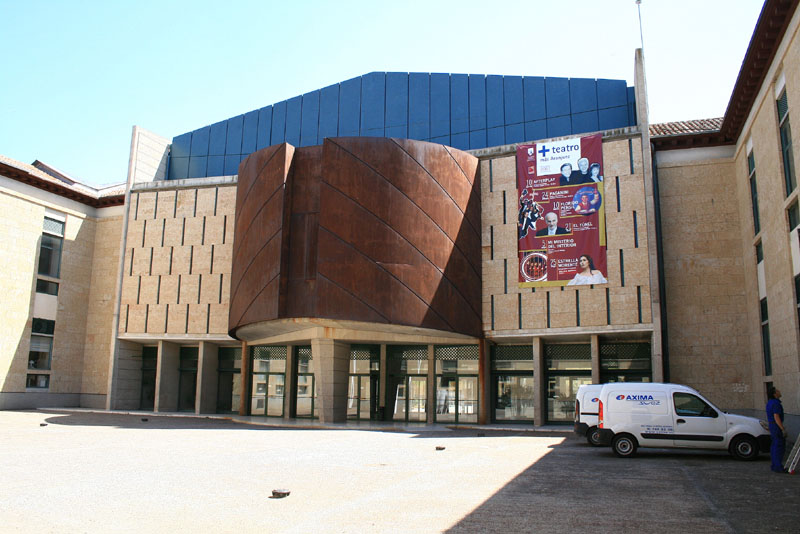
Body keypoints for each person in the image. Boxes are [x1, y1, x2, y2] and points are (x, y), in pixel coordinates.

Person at [766, 386, 787, 473]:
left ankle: (775, 465)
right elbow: (776, 416)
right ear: (775, 394)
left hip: (772, 425)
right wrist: (782, 428)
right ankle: (778, 466)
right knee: (778, 446)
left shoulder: (770, 402)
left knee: (774, 445)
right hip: (776, 426)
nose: (779, 392)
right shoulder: (776, 403)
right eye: (778, 391)